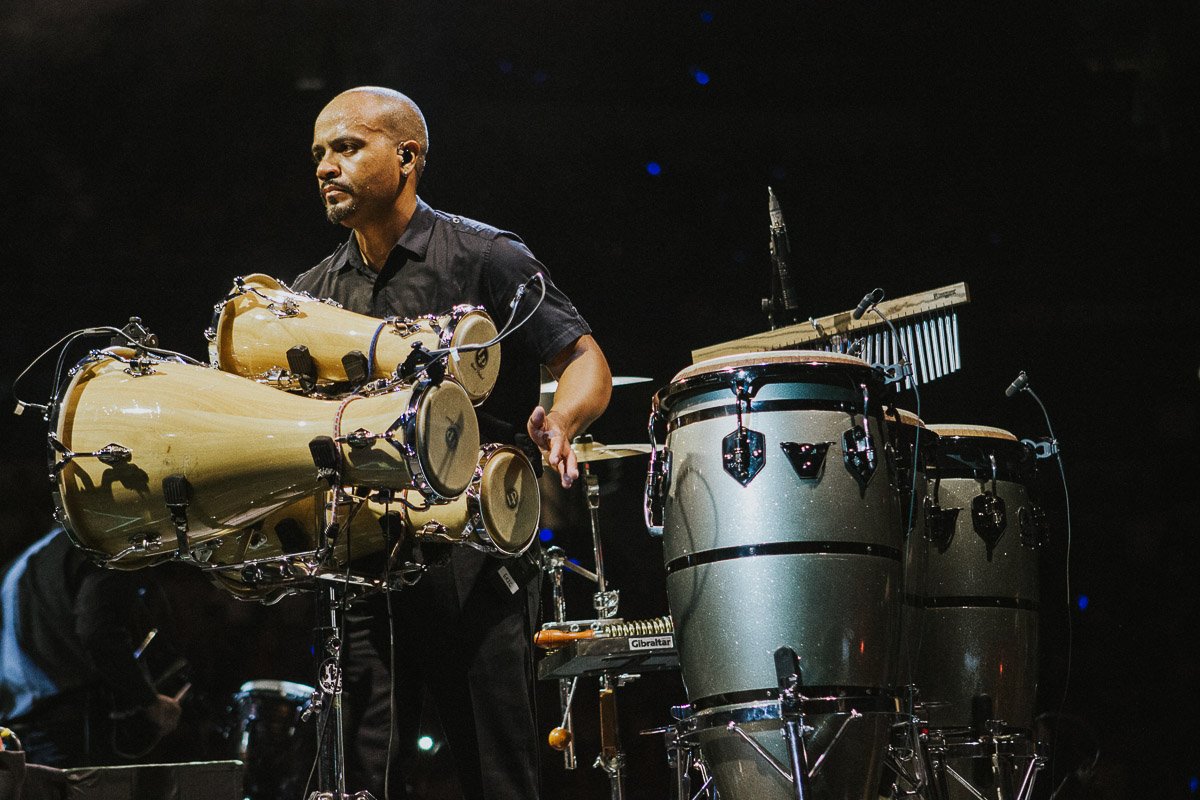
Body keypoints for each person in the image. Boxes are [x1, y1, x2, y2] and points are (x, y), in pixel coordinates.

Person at [291, 86, 612, 799]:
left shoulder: (485, 256)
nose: (325, 166)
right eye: (318, 152)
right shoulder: (309, 296)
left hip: (476, 564)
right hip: (363, 569)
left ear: (407, 157)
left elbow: (585, 361)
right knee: (360, 781)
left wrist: (561, 419)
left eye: (346, 146)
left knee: (496, 779)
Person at [0, 528, 184, 767]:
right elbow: (97, 630)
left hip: (13, 727)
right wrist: (148, 701)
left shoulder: (40, 551)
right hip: (63, 726)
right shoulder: (106, 542)